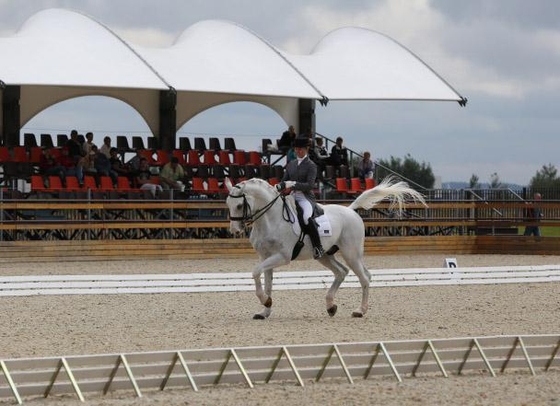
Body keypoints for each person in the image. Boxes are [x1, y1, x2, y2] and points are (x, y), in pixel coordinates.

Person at [276, 136, 325, 259]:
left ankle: (317, 247)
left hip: (305, 197)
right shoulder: (291, 164)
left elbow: (309, 185)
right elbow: (284, 180)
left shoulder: (311, 165)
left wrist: (293, 185)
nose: (298, 151)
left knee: (307, 217)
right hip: (291, 196)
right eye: (296, 149)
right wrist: (278, 186)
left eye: (301, 149)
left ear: (306, 149)